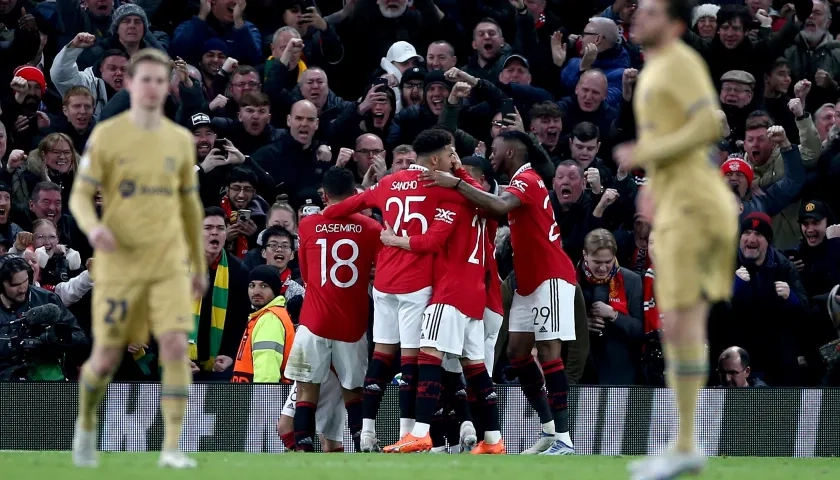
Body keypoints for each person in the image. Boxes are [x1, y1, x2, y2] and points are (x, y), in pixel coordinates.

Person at [612, 0, 740, 477]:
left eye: (649, 11)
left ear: (675, 24)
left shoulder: (680, 61)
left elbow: (708, 123)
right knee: (679, 326)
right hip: (676, 205)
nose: (637, 17)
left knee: (683, 323)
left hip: (697, 208)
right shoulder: (654, 69)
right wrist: (654, 190)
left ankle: (686, 442)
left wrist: (646, 150)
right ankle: (685, 441)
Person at [68, 49, 207, 469]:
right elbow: (78, 194)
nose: (151, 87)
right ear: (129, 84)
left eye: (159, 80)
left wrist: (198, 265)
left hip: (167, 263)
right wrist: (94, 229)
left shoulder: (180, 141)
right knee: (107, 357)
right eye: (143, 79)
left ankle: (171, 446)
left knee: (174, 348)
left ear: (168, 86)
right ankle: (87, 424)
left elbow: (189, 208)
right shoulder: (107, 136)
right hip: (121, 265)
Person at [421, 130, 577, 455]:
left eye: (495, 149)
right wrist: (461, 173)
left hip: (551, 275)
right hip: (528, 281)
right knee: (517, 354)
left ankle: (563, 438)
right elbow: (493, 206)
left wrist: (458, 183)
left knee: (548, 351)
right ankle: (549, 430)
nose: (491, 153)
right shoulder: (520, 182)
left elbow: (499, 205)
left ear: (509, 152)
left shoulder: (528, 180)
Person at [322, 129, 477, 452]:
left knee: (380, 356)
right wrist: (460, 174)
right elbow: (480, 198)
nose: (453, 160)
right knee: (411, 362)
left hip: (384, 283)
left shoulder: (388, 183)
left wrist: (372, 229)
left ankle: (366, 433)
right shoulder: (441, 187)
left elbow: (338, 210)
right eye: (450, 154)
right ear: (436, 159)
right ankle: (409, 435)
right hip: (415, 283)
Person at [376, 142, 505, 454]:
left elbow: (432, 241)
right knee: (475, 367)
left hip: (450, 292)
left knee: (428, 356)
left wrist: (395, 240)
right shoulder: (484, 209)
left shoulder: (452, 201)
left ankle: (420, 432)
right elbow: (475, 188)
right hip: (476, 296)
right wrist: (460, 173)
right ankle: (493, 440)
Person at [285, 166, 382, 453]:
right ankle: (361, 445)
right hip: (352, 323)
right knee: (353, 392)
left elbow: (304, 272)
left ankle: (303, 452)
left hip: (314, 319)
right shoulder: (371, 229)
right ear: (354, 194)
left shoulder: (308, 225)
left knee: (307, 390)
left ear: (323, 195)